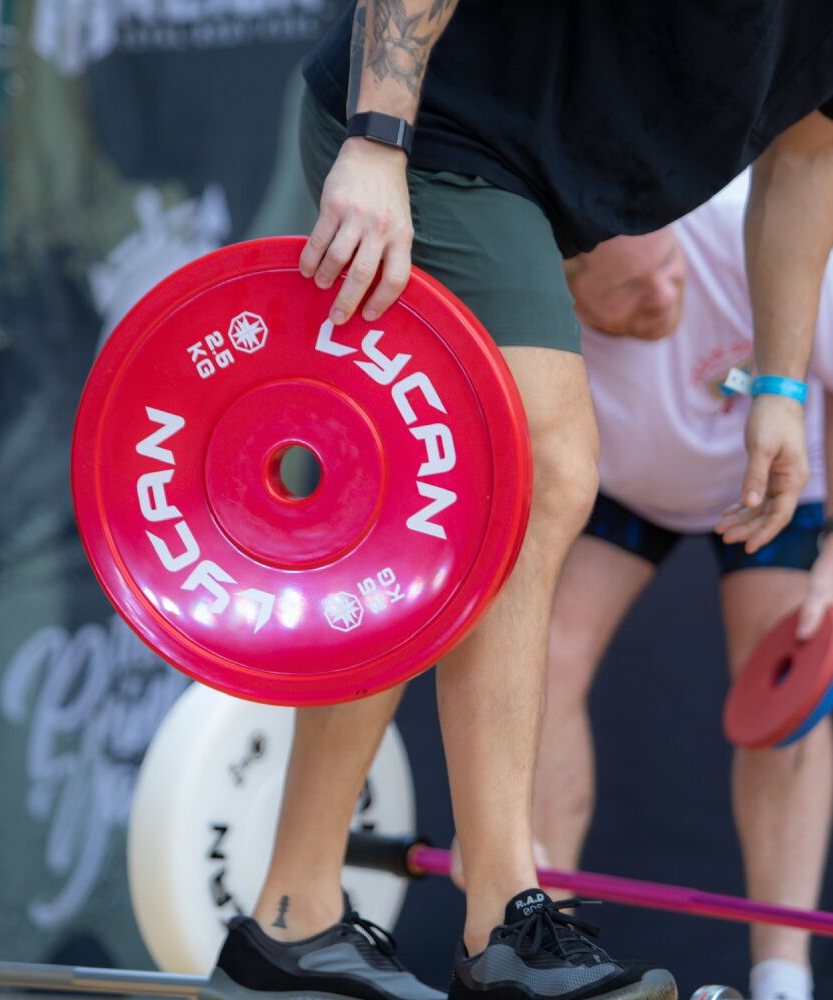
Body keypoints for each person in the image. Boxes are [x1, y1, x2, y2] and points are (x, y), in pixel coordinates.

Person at [200, 5, 833, 1000]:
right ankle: (496, 927)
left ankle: (293, 920)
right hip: (431, 129)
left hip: (526, 180)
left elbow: (805, 157)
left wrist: (781, 386)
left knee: (453, 502)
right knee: (534, 468)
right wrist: (377, 140)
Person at [530, 175, 833, 1000]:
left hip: (777, 475)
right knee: (537, 666)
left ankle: (782, 977)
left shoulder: (741, 228)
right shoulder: (524, 298)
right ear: (569, 287)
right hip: (623, 482)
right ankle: (535, 944)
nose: (664, 296)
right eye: (629, 291)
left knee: (784, 690)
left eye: (668, 268)